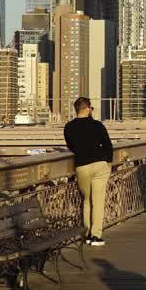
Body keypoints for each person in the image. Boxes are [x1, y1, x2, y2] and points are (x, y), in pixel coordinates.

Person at [63, 97, 113, 247]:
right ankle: (96, 235)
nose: (91, 110)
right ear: (86, 109)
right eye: (91, 108)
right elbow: (108, 145)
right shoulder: (97, 125)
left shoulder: (69, 127)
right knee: (98, 201)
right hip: (99, 164)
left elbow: (71, 146)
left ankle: (87, 234)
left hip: (82, 166)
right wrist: (109, 163)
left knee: (86, 199)